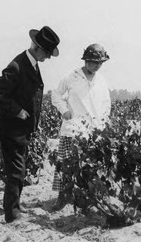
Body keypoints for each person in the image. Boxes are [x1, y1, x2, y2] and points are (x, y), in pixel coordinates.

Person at [0, 26, 60, 223]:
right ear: (37, 48)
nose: (48, 57)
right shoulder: (17, 66)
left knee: (18, 171)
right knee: (16, 172)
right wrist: (18, 111)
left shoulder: (33, 65)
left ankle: (15, 206)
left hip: (22, 130)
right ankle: (12, 214)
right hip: (11, 130)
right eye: (47, 53)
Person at [50, 43, 111, 211]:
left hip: (93, 132)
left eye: (100, 63)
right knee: (66, 167)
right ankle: (62, 198)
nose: (97, 66)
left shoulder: (101, 80)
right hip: (72, 129)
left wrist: (103, 122)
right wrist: (64, 110)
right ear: (86, 60)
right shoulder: (71, 77)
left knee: (91, 168)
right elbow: (55, 94)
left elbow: (107, 103)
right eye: (94, 62)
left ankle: (89, 197)